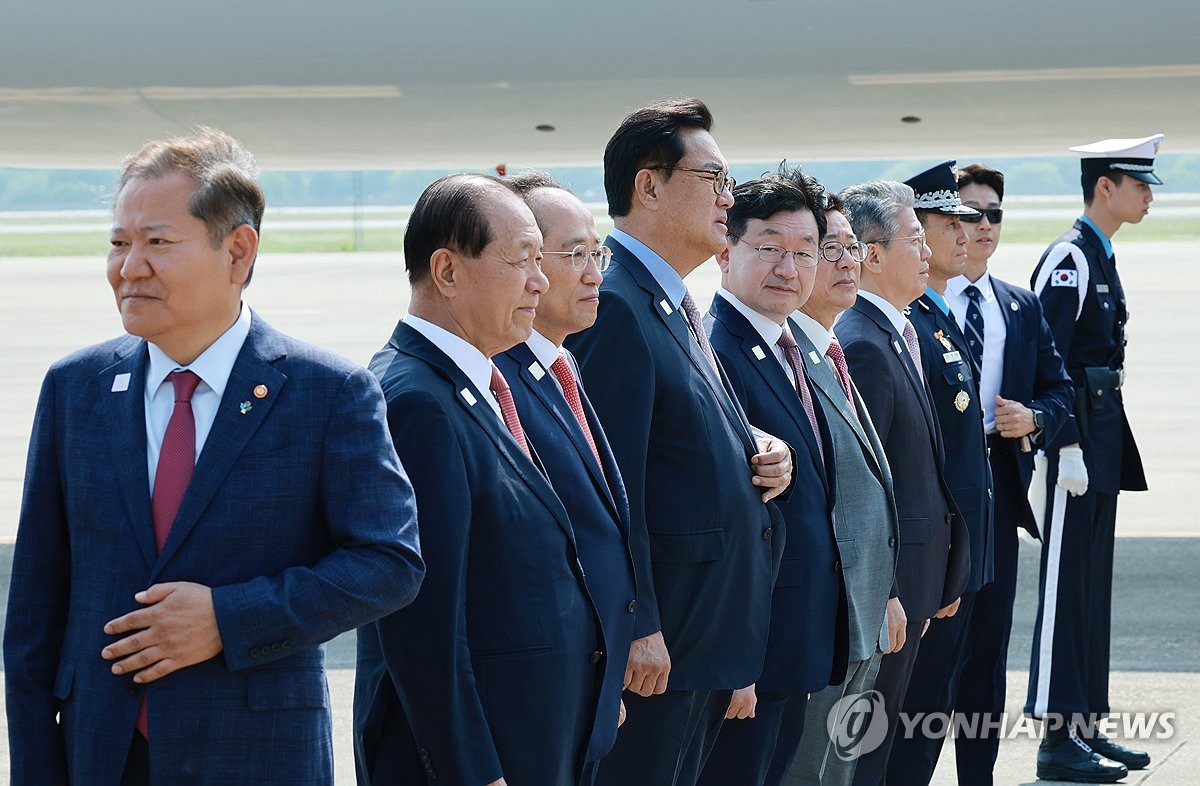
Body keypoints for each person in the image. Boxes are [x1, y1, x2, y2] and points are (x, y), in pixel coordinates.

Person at [3, 127, 424, 785]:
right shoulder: (75, 388)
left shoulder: (327, 393)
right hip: (102, 756)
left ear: (238, 251)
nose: (129, 266)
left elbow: (388, 563)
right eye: (119, 242)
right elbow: (32, 619)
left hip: (256, 755)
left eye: (157, 243)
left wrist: (229, 620)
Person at [565, 98, 792, 786]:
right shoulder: (616, 306)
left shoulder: (670, 300)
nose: (729, 198)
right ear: (650, 185)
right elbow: (608, 485)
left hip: (701, 636)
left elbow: (672, 421)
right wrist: (638, 623)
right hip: (662, 647)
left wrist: (750, 441)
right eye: (713, 180)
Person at [353, 174, 605, 785]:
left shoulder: (475, 384)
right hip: (483, 757)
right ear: (446, 271)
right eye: (522, 261)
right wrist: (471, 769)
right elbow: (423, 626)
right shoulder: (416, 402)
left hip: (530, 739)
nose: (540, 281)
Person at [697, 165, 847, 786]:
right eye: (769, 249)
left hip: (794, 638)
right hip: (750, 649)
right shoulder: (716, 350)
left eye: (804, 252)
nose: (789, 269)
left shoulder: (794, 347)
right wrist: (740, 657)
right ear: (726, 251)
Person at [1026, 135, 1162, 783]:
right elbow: (1043, 361)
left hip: (1099, 443)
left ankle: (1082, 727)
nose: (1149, 196)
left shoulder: (1099, 258)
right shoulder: (1069, 260)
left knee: (1088, 590)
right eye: (1139, 185)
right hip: (1071, 450)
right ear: (1104, 187)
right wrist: (1065, 445)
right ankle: (1055, 738)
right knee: (1062, 593)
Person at [494, 172, 637, 781]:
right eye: (572, 255)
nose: (593, 271)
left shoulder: (562, 364)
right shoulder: (495, 385)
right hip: (528, 710)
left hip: (582, 694)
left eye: (595, 252)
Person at [939, 162, 1074, 784]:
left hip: (998, 482)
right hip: (934, 486)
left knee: (987, 653)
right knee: (928, 650)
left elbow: (1060, 389)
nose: (982, 227)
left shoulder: (1016, 305)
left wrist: (1036, 417)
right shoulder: (916, 303)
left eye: (993, 215)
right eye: (968, 214)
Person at [833, 180, 970, 786]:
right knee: (863, 751)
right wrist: (889, 589)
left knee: (882, 749)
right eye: (914, 239)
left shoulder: (898, 331)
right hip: (889, 594)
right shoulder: (862, 343)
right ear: (873, 254)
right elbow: (865, 488)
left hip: (916, 583)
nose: (926, 251)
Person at [784, 197, 899, 786]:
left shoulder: (830, 352)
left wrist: (886, 594)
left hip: (863, 611)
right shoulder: (788, 356)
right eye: (828, 250)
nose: (847, 262)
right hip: (824, 618)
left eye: (852, 248)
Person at [887, 161, 994, 784]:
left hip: (955, 559)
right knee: (905, 724)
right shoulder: (906, 325)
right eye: (944, 225)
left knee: (931, 711)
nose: (962, 235)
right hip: (927, 566)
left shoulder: (936, 316)